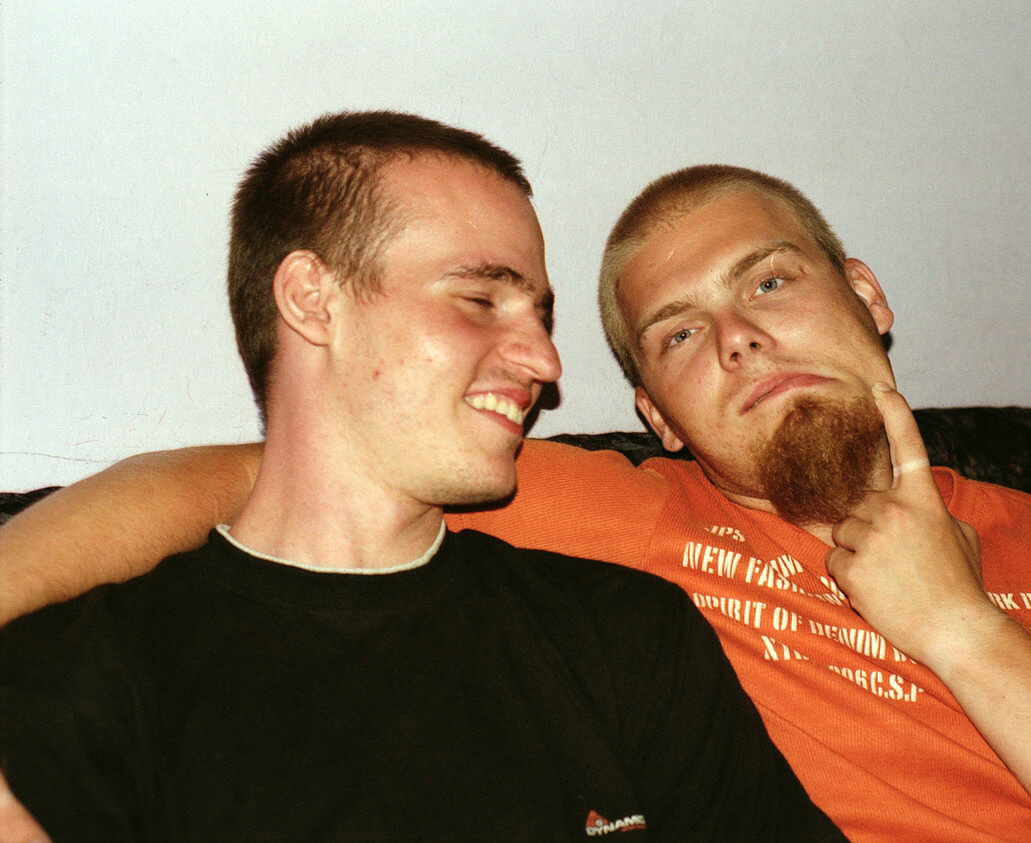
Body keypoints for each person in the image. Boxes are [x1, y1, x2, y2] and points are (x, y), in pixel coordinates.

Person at [2, 163, 1031, 841]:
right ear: (657, 418)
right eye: (676, 334)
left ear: (866, 295)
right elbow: (253, 478)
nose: (737, 339)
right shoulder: (612, 519)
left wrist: (957, 626)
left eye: (768, 283)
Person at [0, 115, 841, 841]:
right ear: (312, 300)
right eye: (479, 300)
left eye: (540, 315)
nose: (546, 362)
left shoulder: (628, 637)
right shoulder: (94, 678)